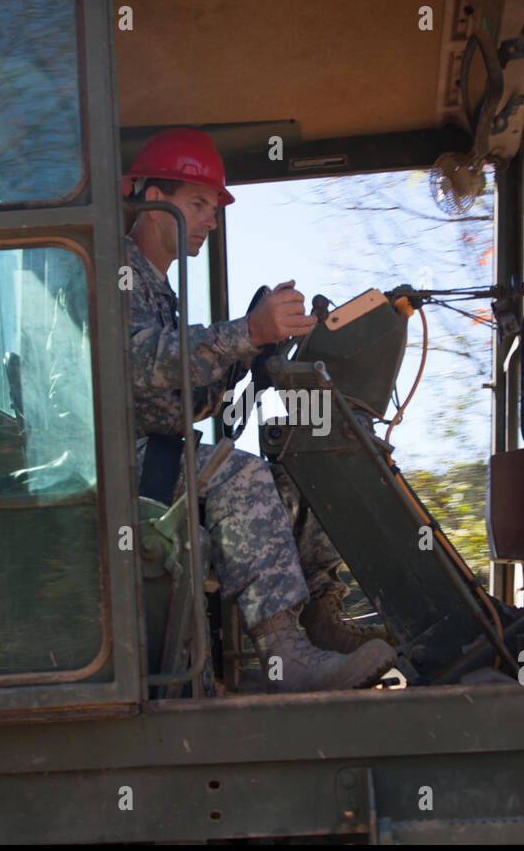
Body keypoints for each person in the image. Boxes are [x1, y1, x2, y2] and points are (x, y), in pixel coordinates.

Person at [122, 127, 394, 692]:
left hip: (157, 452)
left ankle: (316, 617)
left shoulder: (161, 291)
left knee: (300, 471)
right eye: (198, 203)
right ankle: (283, 654)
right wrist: (245, 332)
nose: (210, 219)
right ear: (153, 201)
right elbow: (139, 362)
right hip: (115, 459)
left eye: (213, 208)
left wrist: (253, 354)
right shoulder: (112, 272)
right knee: (238, 474)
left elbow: (181, 403)